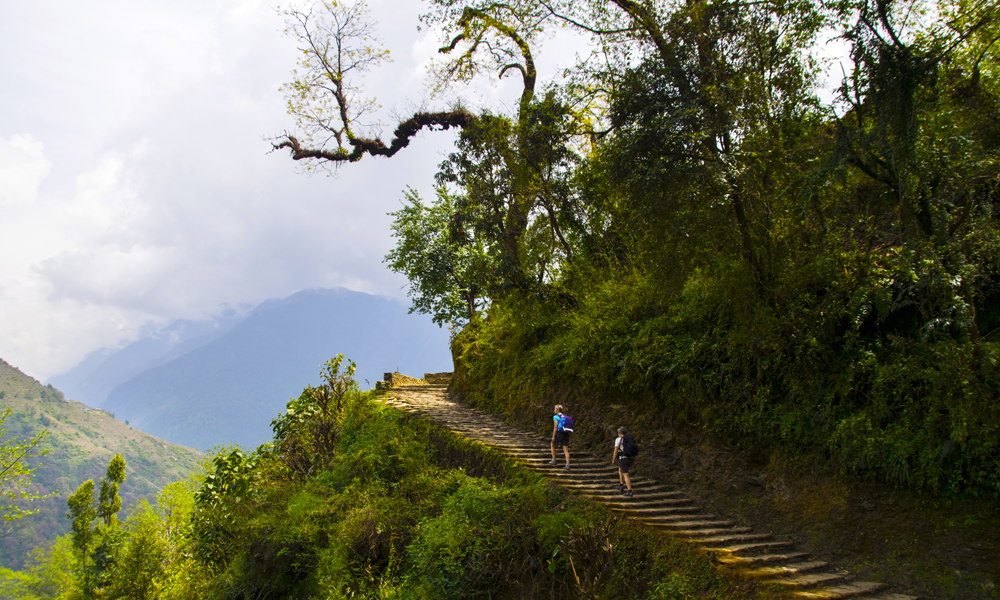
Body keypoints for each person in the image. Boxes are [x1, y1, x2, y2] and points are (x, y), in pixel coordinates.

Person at [611, 426, 634, 497]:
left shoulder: (618, 439)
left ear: (619, 433)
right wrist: (634, 460)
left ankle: (629, 490)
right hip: (630, 458)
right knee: (620, 470)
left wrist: (613, 459)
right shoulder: (629, 439)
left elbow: (616, 450)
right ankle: (621, 484)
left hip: (623, 458)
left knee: (626, 475)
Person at [549, 404, 570, 469]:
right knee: (566, 450)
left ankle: (554, 460)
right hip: (566, 433)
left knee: (552, 445)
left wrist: (553, 436)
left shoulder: (556, 417)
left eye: (555, 409)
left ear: (558, 409)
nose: (554, 410)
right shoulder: (565, 417)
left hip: (559, 433)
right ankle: (567, 464)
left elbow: (556, 427)